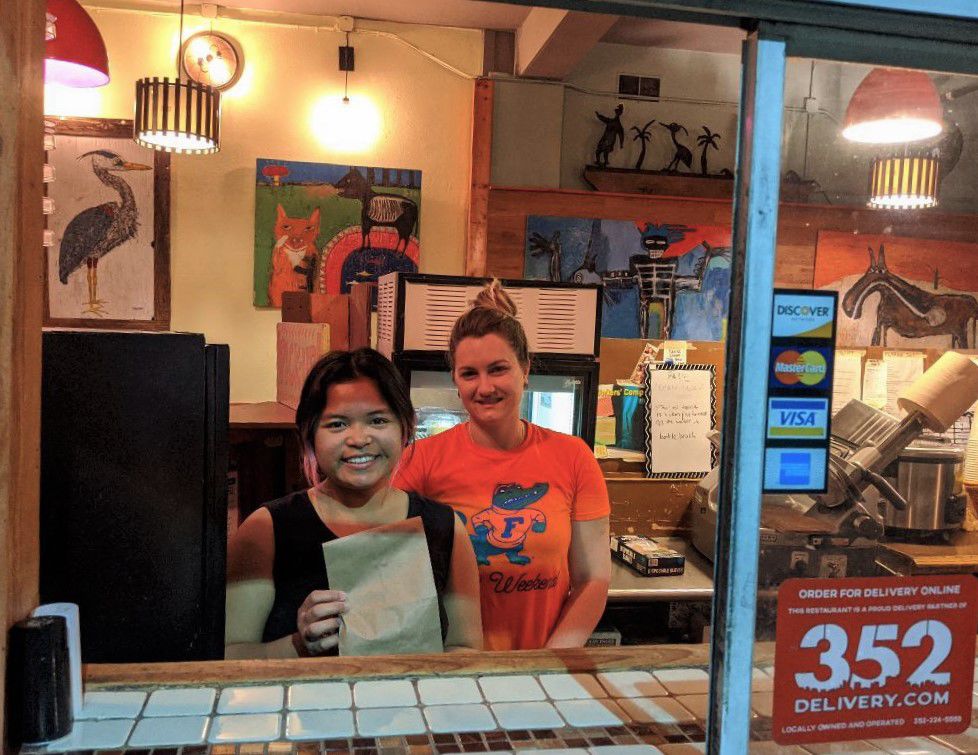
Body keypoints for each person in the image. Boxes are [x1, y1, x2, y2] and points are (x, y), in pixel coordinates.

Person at [394, 281, 611, 650]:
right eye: (469, 373)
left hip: (542, 664)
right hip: (452, 668)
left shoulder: (574, 457)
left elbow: (593, 579)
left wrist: (551, 662)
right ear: (455, 380)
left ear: (525, 369)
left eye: (498, 369)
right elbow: (386, 572)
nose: (484, 387)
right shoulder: (420, 462)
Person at [225, 348, 482, 658]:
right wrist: (298, 644)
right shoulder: (266, 529)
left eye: (378, 420)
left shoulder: (444, 528)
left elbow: (465, 649)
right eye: (337, 424)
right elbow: (229, 657)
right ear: (309, 434)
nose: (359, 439)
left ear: (406, 428)